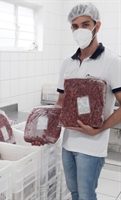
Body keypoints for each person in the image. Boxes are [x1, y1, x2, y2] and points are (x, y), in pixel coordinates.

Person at [55, 2, 121, 200]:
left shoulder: (112, 61)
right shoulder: (67, 63)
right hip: (68, 144)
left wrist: (98, 129)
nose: (80, 30)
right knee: (73, 193)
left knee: (86, 195)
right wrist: (45, 127)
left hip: (92, 147)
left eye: (85, 24)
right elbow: (61, 101)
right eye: (75, 26)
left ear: (96, 26)